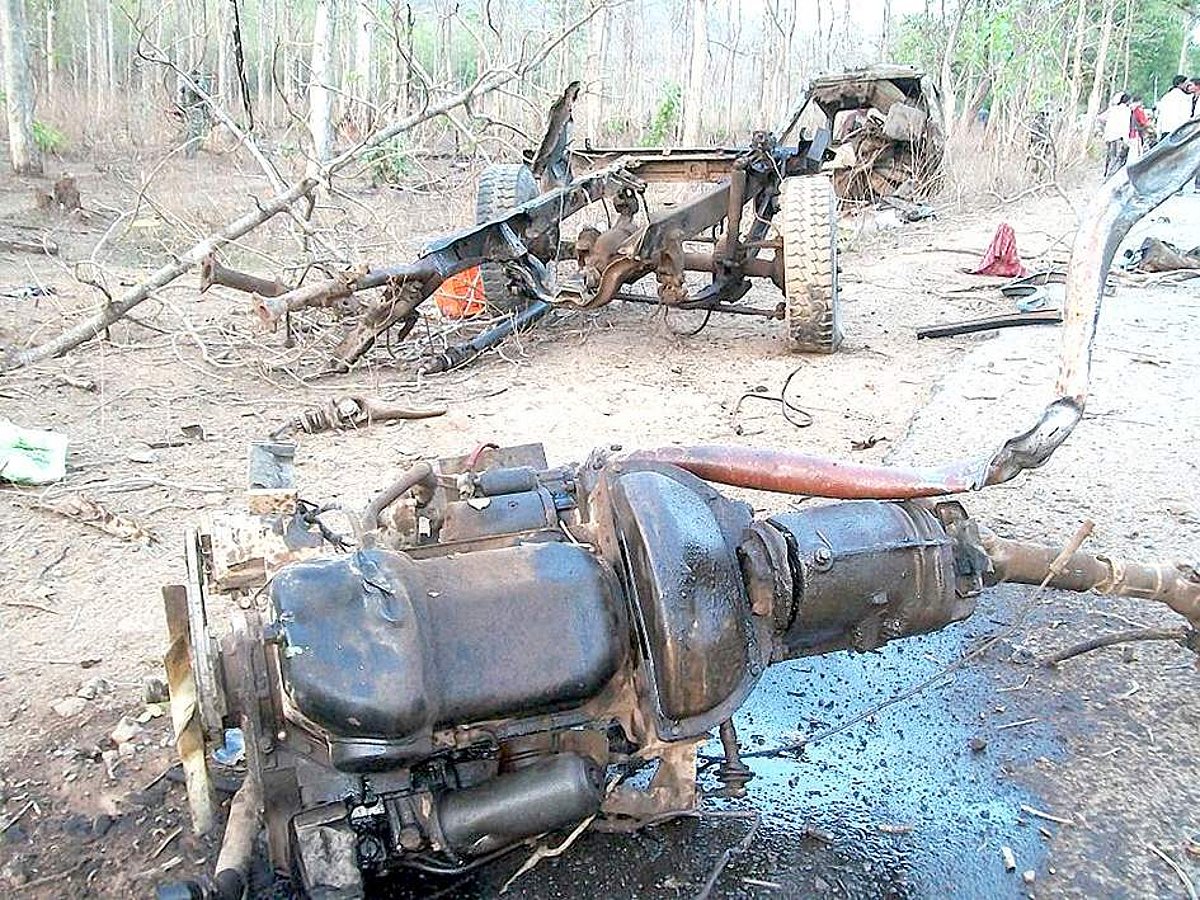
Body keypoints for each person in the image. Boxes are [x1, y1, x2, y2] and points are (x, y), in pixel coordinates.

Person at [1099, 92, 1132, 177]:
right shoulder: (1127, 111)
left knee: (1110, 156)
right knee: (1117, 158)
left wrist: (1106, 126)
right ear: (1128, 101)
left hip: (1109, 136)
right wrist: (1126, 140)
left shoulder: (1113, 109)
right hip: (1119, 137)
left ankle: (1106, 173)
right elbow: (1126, 126)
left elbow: (1100, 118)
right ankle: (1112, 175)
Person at [1128, 96, 1149, 162]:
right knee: (1137, 153)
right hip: (1137, 134)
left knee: (1132, 153)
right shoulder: (1138, 110)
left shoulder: (1130, 110)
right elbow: (1143, 122)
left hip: (1130, 134)